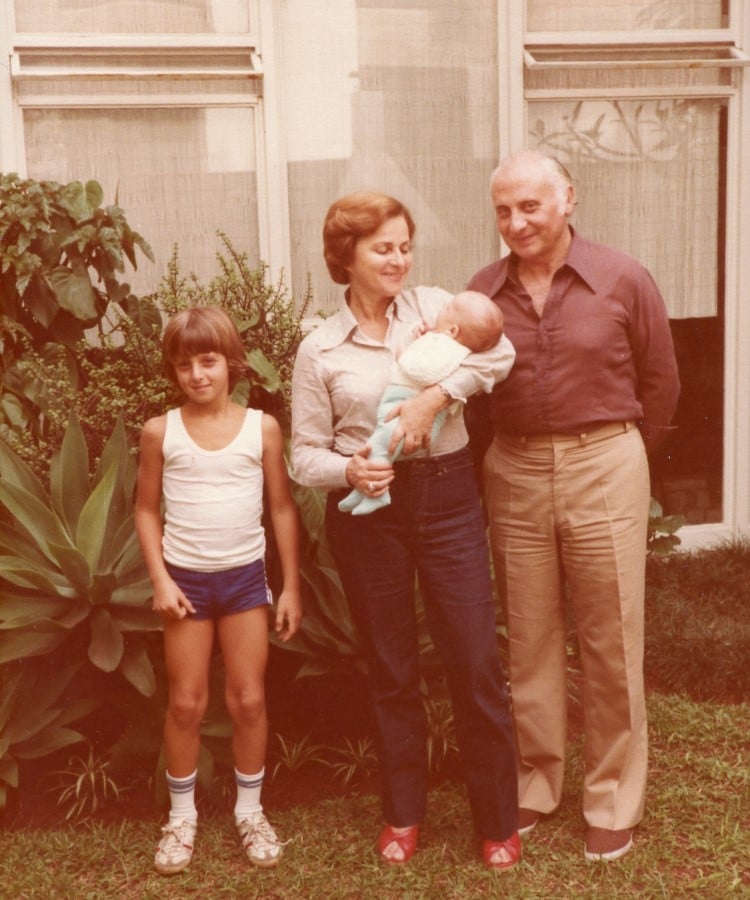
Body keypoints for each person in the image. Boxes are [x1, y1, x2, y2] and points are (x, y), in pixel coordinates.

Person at [291, 191, 521, 870]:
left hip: (448, 497)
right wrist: (350, 469)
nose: (399, 259)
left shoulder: (435, 309)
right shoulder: (320, 347)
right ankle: (402, 813)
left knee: (474, 658)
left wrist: (436, 396)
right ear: (347, 257)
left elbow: (498, 356)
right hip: (370, 514)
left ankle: (498, 820)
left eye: (404, 246)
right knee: (391, 668)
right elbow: (304, 454)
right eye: (382, 248)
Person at [467, 150, 680, 862]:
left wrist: (625, 457)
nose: (516, 222)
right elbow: (468, 392)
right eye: (503, 209)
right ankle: (536, 781)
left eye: (530, 205)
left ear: (568, 199)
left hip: (604, 460)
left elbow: (662, 382)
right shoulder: (482, 292)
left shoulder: (623, 278)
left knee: (611, 634)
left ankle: (614, 795)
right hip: (515, 467)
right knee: (527, 635)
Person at [135, 306, 302, 875]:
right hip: (184, 585)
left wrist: (291, 588)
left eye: (207, 361)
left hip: (244, 582)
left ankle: (250, 811)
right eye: (183, 365)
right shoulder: (161, 431)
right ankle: (182, 819)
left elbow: (281, 507)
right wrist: (160, 579)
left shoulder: (262, 428)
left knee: (248, 699)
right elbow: (144, 509)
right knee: (186, 702)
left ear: (230, 363)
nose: (197, 375)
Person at [338, 289, 503, 515]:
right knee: (380, 445)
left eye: (446, 309)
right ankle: (365, 491)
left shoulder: (451, 349)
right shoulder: (445, 341)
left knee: (380, 445)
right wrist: (425, 337)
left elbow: (425, 371)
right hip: (400, 405)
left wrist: (403, 356)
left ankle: (377, 493)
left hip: (412, 417)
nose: (441, 308)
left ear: (453, 329)